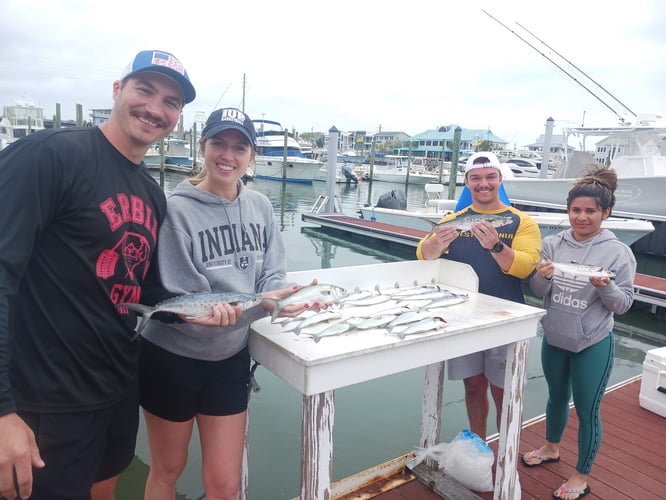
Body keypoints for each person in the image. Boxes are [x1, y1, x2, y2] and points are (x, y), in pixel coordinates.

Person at [0, 49, 197, 500]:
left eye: (171, 102)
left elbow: (141, 291)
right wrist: (3, 412)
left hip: (115, 394)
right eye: (145, 90)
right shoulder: (48, 157)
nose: (155, 107)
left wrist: (194, 310)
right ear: (117, 90)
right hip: (43, 405)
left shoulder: (152, 193)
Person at [138, 107, 311, 500]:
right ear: (203, 147)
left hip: (230, 359)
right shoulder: (175, 209)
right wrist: (254, 307)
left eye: (239, 147)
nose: (227, 155)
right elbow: (187, 294)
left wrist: (278, 299)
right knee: (167, 469)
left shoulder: (262, 207)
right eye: (219, 143)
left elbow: (272, 274)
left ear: (252, 156)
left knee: (224, 483)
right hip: (171, 358)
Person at [522, 167, 636, 500]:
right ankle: (551, 447)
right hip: (554, 338)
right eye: (576, 210)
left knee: (587, 410)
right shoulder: (552, 243)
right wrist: (542, 276)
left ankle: (581, 475)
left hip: (592, 343)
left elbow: (623, 304)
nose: (582, 218)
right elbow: (538, 289)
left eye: (590, 211)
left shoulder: (618, 253)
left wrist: (606, 288)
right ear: (568, 211)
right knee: (556, 398)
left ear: (606, 213)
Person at [416, 151, 541, 440]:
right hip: (461, 319)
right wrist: (436, 243)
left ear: (499, 180)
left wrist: (497, 246)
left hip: (505, 320)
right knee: (472, 385)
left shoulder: (521, 222)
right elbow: (423, 256)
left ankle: (507, 448)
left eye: (489, 177)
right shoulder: (452, 220)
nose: (483, 184)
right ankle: (479, 443)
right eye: (476, 179)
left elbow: (526, 267)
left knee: (503, 390)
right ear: (467, 183)